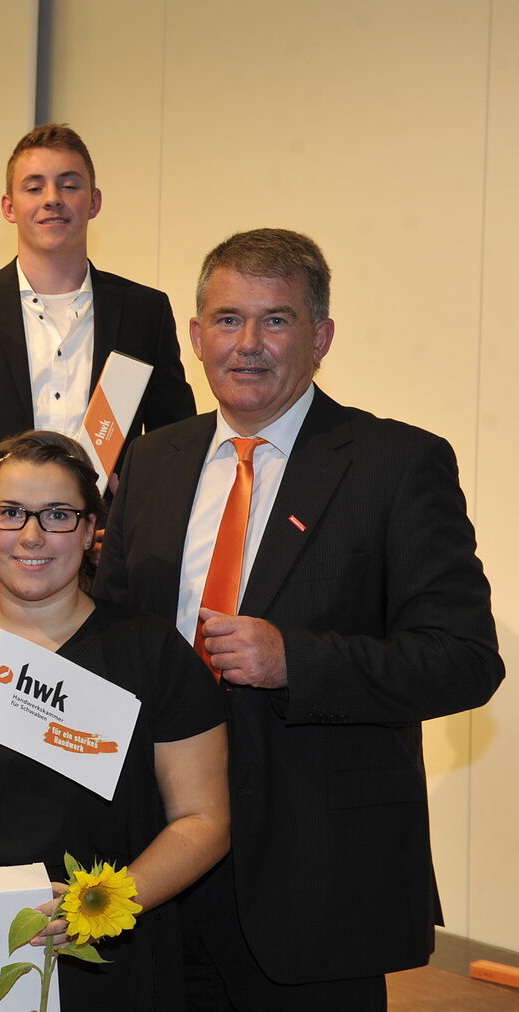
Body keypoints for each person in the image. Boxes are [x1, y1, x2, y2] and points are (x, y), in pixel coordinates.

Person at [95, 229, 505, 1009]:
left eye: (276, 321)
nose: (247, 345)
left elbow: (465, 659)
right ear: (194, 335)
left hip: (316, 886)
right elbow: (113, 646)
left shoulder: (396, 464)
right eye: (226, 320)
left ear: (320, 338)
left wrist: (297, 662)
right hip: (156, 882)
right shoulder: (152, 463)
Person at [0, 431, 228, 1009]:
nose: (31, 536)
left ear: (89, 530)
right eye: (10, 513)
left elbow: (204, 819)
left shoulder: (151, 652)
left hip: (107, 955)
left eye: (57, 515)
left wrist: (107, 903)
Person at [0, 123, 195, 597]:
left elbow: (176, 447)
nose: (53, 198)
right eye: (34, 186)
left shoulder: (145, 311)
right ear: (9, 207)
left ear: (94, 200)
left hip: (105, 579)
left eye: (69, 183)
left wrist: (134, 529)